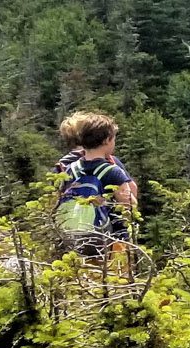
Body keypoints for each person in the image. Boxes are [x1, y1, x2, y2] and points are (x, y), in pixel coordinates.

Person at [54, 110, 138, 257]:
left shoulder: (68, 169)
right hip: (109, 239)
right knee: (114, 277)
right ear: (106, 140)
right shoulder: (112, 170)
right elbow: (129, 204)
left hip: (72, 237)